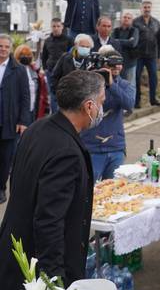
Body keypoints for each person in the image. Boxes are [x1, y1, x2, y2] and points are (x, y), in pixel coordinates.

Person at [0, 70, 104, 290]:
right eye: (101, 102)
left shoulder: (38, 128)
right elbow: (49, 220)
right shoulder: (66, 150)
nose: (102, 108)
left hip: (16, 249)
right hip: (36, 267)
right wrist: (55, 284)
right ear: (88, 106)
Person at [81, 47, 135, 181]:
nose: (116, 67)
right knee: (89, 189)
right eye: (111, 63)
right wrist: (93, 77)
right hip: (91, 146)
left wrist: (111, 84)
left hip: (115, 146)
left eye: (119, 63)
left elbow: (129, 105)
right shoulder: (89, 83)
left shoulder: (125, 85)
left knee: (112, 190)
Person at [0, 35, 29, 205]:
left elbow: (25, 97)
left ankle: (1, 188)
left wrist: (23, 121)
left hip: (9, 121)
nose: (2, 49)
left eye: (5, 46)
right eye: (0, 46)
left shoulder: (18, 70)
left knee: (5, 159)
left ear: (10, 49)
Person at [133, 0, 160, 108]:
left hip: (152, 55)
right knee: (136, 78)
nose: (147, 9)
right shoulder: (135, 22)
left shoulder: (156, 23)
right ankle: (137, 101)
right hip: (139, 55)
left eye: (148, 7)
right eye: (145, 7)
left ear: (151, 8)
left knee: (153, 77)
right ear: (141, 8)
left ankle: (153, 99)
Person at [41, 18, 72, 113]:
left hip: (64, 73)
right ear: (51, 27)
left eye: (58, 26)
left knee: (65, 94)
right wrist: (45, 69)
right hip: (50, 72)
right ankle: (54, 115)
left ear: (62, 27)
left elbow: (71, 55)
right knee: (53, 94)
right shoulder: (47, 41)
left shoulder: (69, 40)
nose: (56, 28)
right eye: (54, 26)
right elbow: (44, 56)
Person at [14, 45, 48, 123]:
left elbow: (41, 90)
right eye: (22, 55)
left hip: (33, 109)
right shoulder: (14, 71)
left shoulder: (34, 70)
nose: (25, 57)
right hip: (18, 110)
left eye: (28, 55)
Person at [112, 12, 140, 87]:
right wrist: (127, 41)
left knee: (130, 85)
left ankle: (131, 99)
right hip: (117, 63)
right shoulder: (115, 30)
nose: (126, 19)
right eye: (124, 17)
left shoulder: (135, 30)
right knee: (117, 83)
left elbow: (133, 43)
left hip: (130, 62)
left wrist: (118, 41)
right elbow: (113, 43)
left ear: (132, 20)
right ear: (121, 19)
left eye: (129, 18)